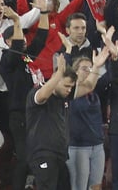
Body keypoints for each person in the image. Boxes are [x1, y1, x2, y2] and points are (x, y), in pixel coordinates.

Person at [27, 55, 79, 190]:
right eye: (66, 86)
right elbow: (42, 96)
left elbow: (88, 86)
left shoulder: (63, 98)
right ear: (56, 80)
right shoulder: (37, 92)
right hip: (43, 154)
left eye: (71, 87)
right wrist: (59, 73)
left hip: (60, 156)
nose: (69, 90)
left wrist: (96, 67)